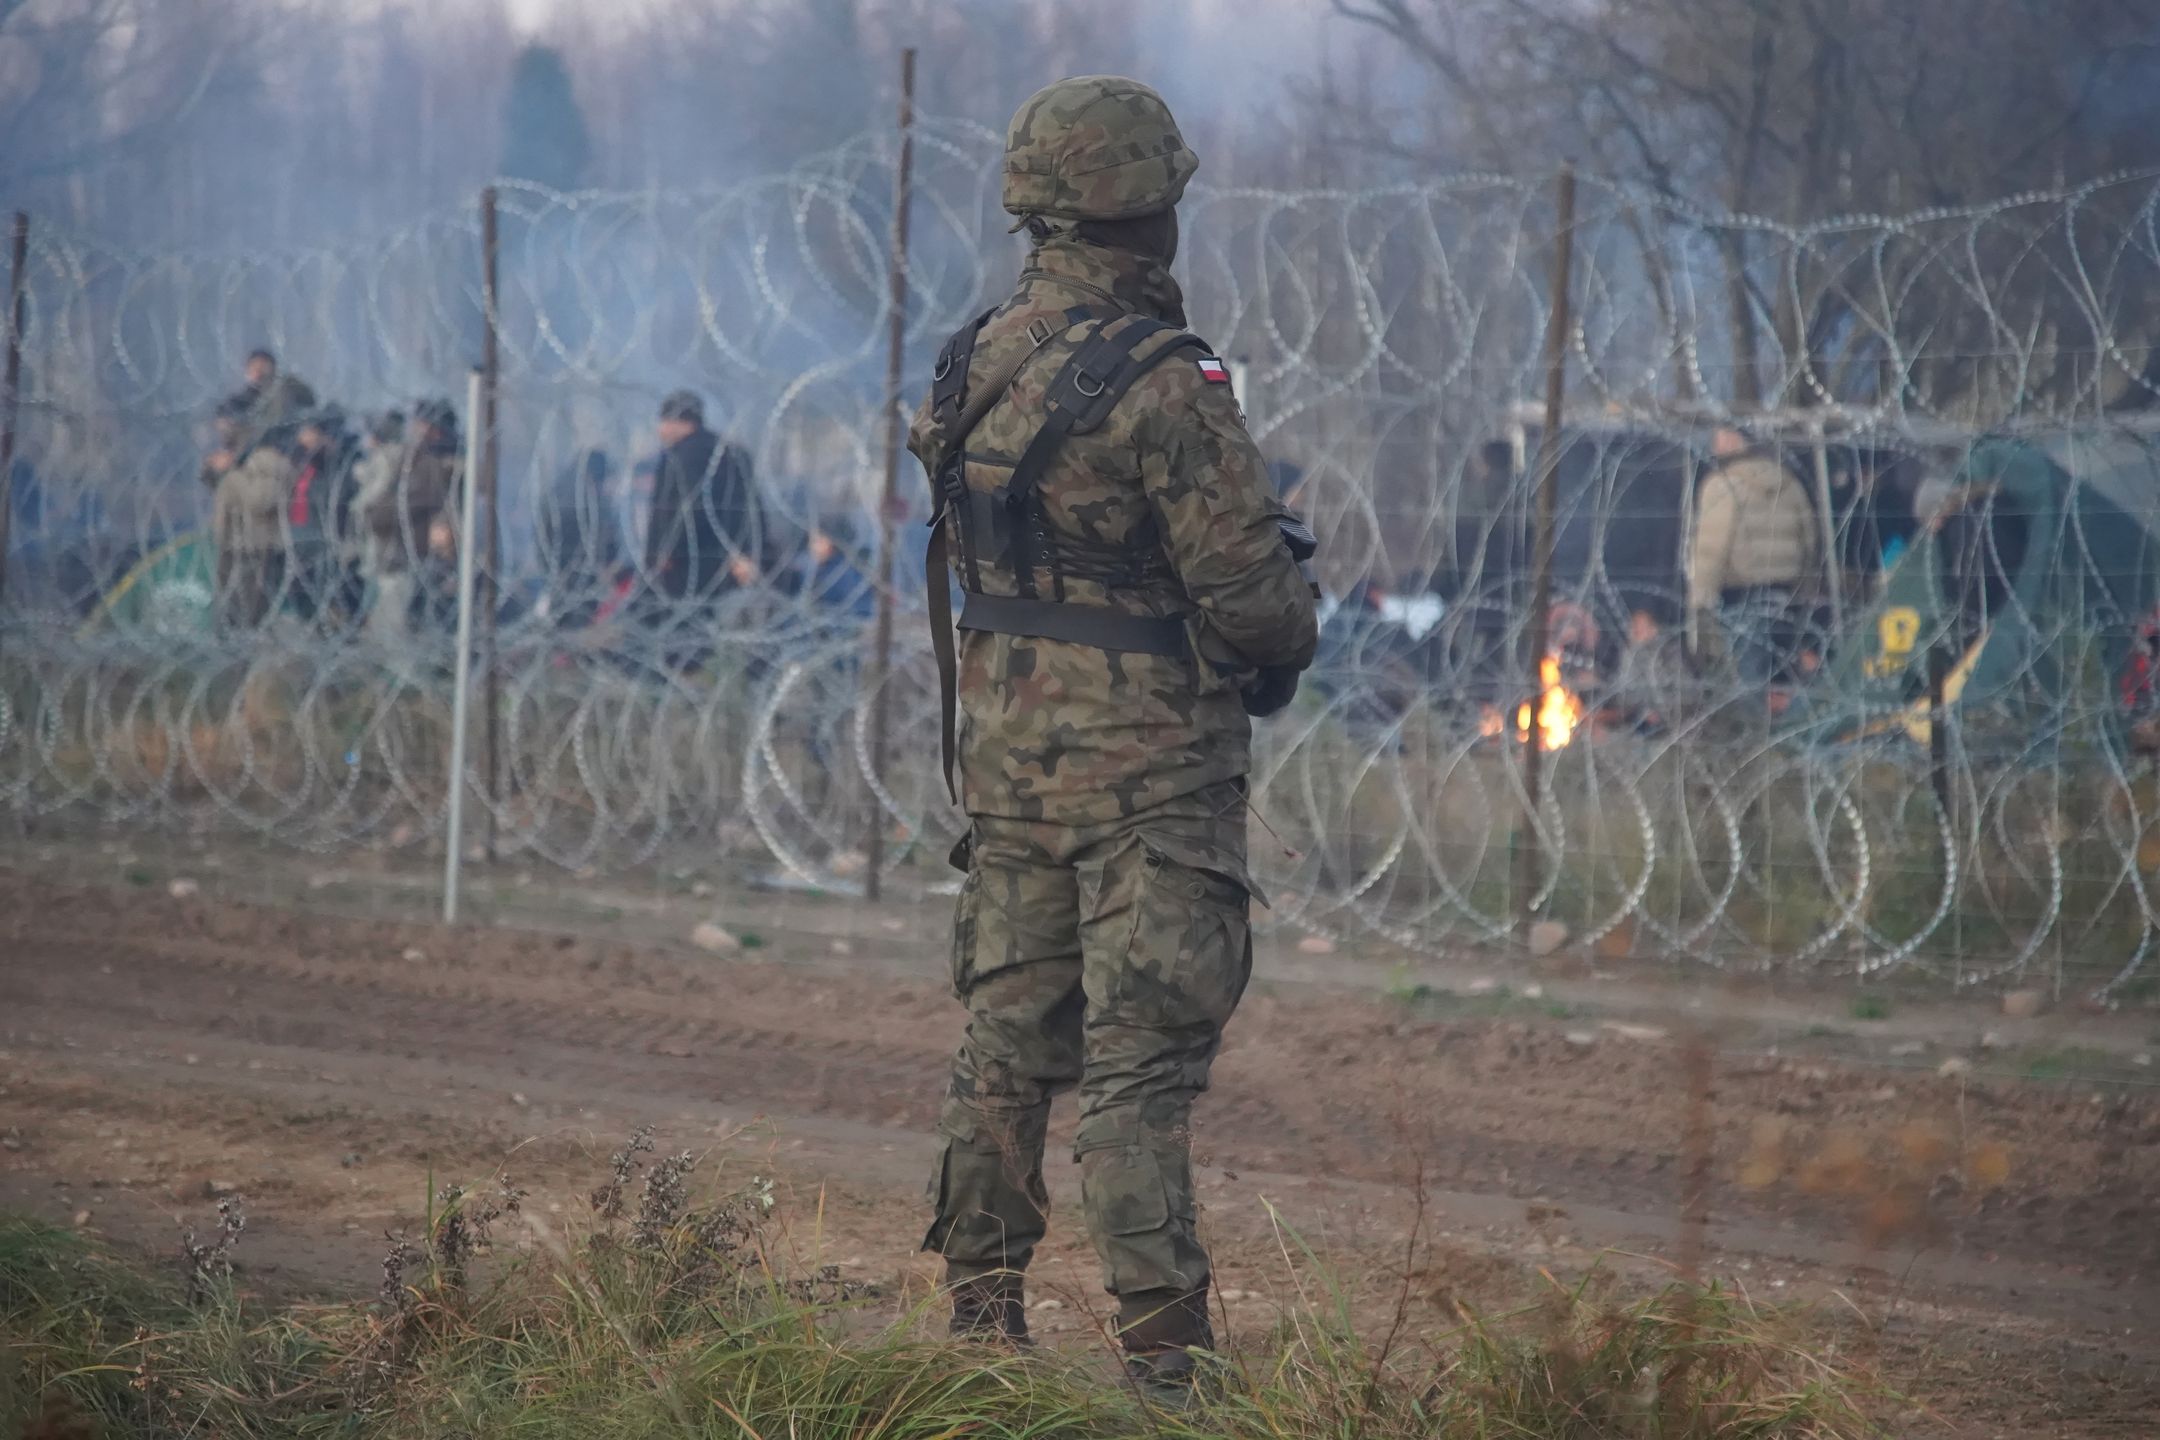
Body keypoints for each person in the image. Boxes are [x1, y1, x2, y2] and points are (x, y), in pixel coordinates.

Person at [907, 75, 1319, 1394]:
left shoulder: (975, 356)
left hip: (1011, 767)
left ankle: (979, 1321)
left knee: (1005, 1046)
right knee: (1138, 1071)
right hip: (1152, 780)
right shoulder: (1167, 383)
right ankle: (1168, 1367)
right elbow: (1254, 603)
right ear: (1145, 211)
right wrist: (1281, 636)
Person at [1686, 428, 1820, 688]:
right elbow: (1809, 539)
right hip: (1786, 594)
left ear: (1737, 439)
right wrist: (1803, 586)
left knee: (1748, 679)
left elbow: (1712, 548)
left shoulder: (1722, 485)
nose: (1715, 443)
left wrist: (1700, 600)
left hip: (1741, 595)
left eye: (1722, 436)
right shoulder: (1787, 481)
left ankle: (1755, 727)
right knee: (1786, 677)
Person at [359, 399, 460, 646]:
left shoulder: (436, 465)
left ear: (434, 429)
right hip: (405, 556)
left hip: (413, 558)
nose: (415, 429)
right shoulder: (416, 459)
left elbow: (405, 504)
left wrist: (376, 514)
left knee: (398, 633)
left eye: (421, 424)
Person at [211, 421, 298, 629]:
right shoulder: (246, 465)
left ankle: (240, 651)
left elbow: (259, 501)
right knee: (230, 609)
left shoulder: (268, 464)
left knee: (247, 612)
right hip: (235, 544)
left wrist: (231, 477)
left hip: (254, 547)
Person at [287, 407, 361, 623]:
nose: (302, 438)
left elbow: (341, 502)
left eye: (308, 432)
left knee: (330, 600)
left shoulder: (340, 464)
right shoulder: (303, 461)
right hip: (300, 541)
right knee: (303, 597)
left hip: (327, 543)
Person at [235, 349, 316, 449]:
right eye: (253, 366)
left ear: (273, 368)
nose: (258, 370)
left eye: (262, 365)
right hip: (258, 445)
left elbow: (308, 400)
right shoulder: (243, 399)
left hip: (285, 443)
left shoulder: (285, 386)